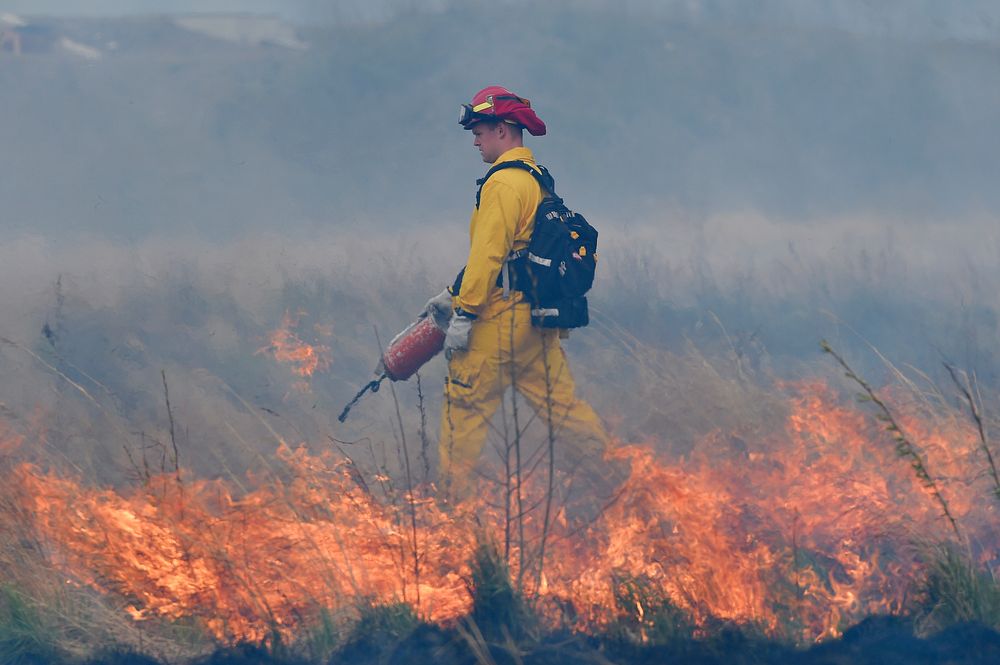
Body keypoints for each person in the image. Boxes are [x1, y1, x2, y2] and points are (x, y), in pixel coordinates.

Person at [423, 85, 615, 505]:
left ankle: (454, 513)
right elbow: (514, 254)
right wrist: (450, 293)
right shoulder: (536, 179)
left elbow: (489, 254)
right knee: (565, 410)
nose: (475, 139)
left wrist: (465, 313)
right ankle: (617, 477)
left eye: (480, 130)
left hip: (496, 325)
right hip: (535, 322)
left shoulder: (502, 185)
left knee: (464, 412)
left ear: (505, 130)